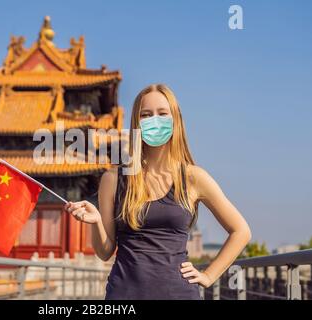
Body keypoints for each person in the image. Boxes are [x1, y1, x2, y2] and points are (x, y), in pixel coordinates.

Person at [64, 84, 251, 299]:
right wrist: (96, 221)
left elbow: (241, 231)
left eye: (162, 113)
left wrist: (209, 275)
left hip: (179, 293)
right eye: (146, 114)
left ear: (175, 120)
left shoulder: (193, 177)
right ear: (137, 123)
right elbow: (105, 252)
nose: (155, 120)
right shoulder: (113, 179)